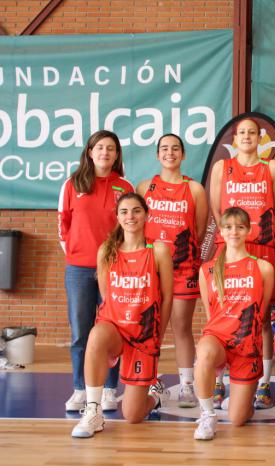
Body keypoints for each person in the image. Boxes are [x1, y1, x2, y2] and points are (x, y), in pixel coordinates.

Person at [71, 193, 173, 438]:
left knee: (133, 415)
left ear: (146, 215)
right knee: (96, 334)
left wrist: (157, 337)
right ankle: (93, 411)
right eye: (125, 211)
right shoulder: (107, 250)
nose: (131, 216)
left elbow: (167, 296)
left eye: (136, 210)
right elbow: (106, 295)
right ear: (117, 217)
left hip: (144, 334)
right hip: (115, 327)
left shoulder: (157, 249)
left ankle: (156, 392)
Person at [210, 118, 275, 409]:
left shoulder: (273, 168)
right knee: (223, 312)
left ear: (259, 138)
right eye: (241, 132)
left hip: (262, 247)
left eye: (252, 133)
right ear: (234, 137)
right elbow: (218, 211)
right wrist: (232, 239)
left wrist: (263, 237)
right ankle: (220, 380)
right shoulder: (222, 168)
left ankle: (265, 382)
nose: (246, 137)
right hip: (228, 247)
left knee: (263, 317)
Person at [59, 130, 134, 413]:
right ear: (90, 152)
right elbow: (62, 224)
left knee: (112, 331)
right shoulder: (72, 183)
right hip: (78, 269)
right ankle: (80, 388)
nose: (105, 153)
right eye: (100, 147)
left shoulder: (124, 186)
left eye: (111, 149)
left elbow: (130, 226)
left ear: (117, 155)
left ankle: (109, 390)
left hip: (115, 272)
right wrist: (77, 254)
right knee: (81, 332)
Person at [136, 133, 207, 408]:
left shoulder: (195, 190)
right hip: (151, 267)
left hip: (184, 268)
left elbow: (199, 231)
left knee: (181, 326)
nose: (170, 153)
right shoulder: (145, 187)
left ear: (183, 154)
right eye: (164, 149)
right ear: (157, 155)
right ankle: (152, 381)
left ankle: (187, 385)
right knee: (152, 327)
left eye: (175, 148)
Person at [192, 207, 274, 440]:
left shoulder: (263, 268)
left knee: (238, 418)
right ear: (220, 231)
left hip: (247, 346)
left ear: (248, 230)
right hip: (218, 338)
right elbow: (211, 315)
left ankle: (242, 397)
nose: (234, 232)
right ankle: (207, 414)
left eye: (239, 227)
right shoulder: (207, 270)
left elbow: (261, 309)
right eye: (228, 227)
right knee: (205, 351)